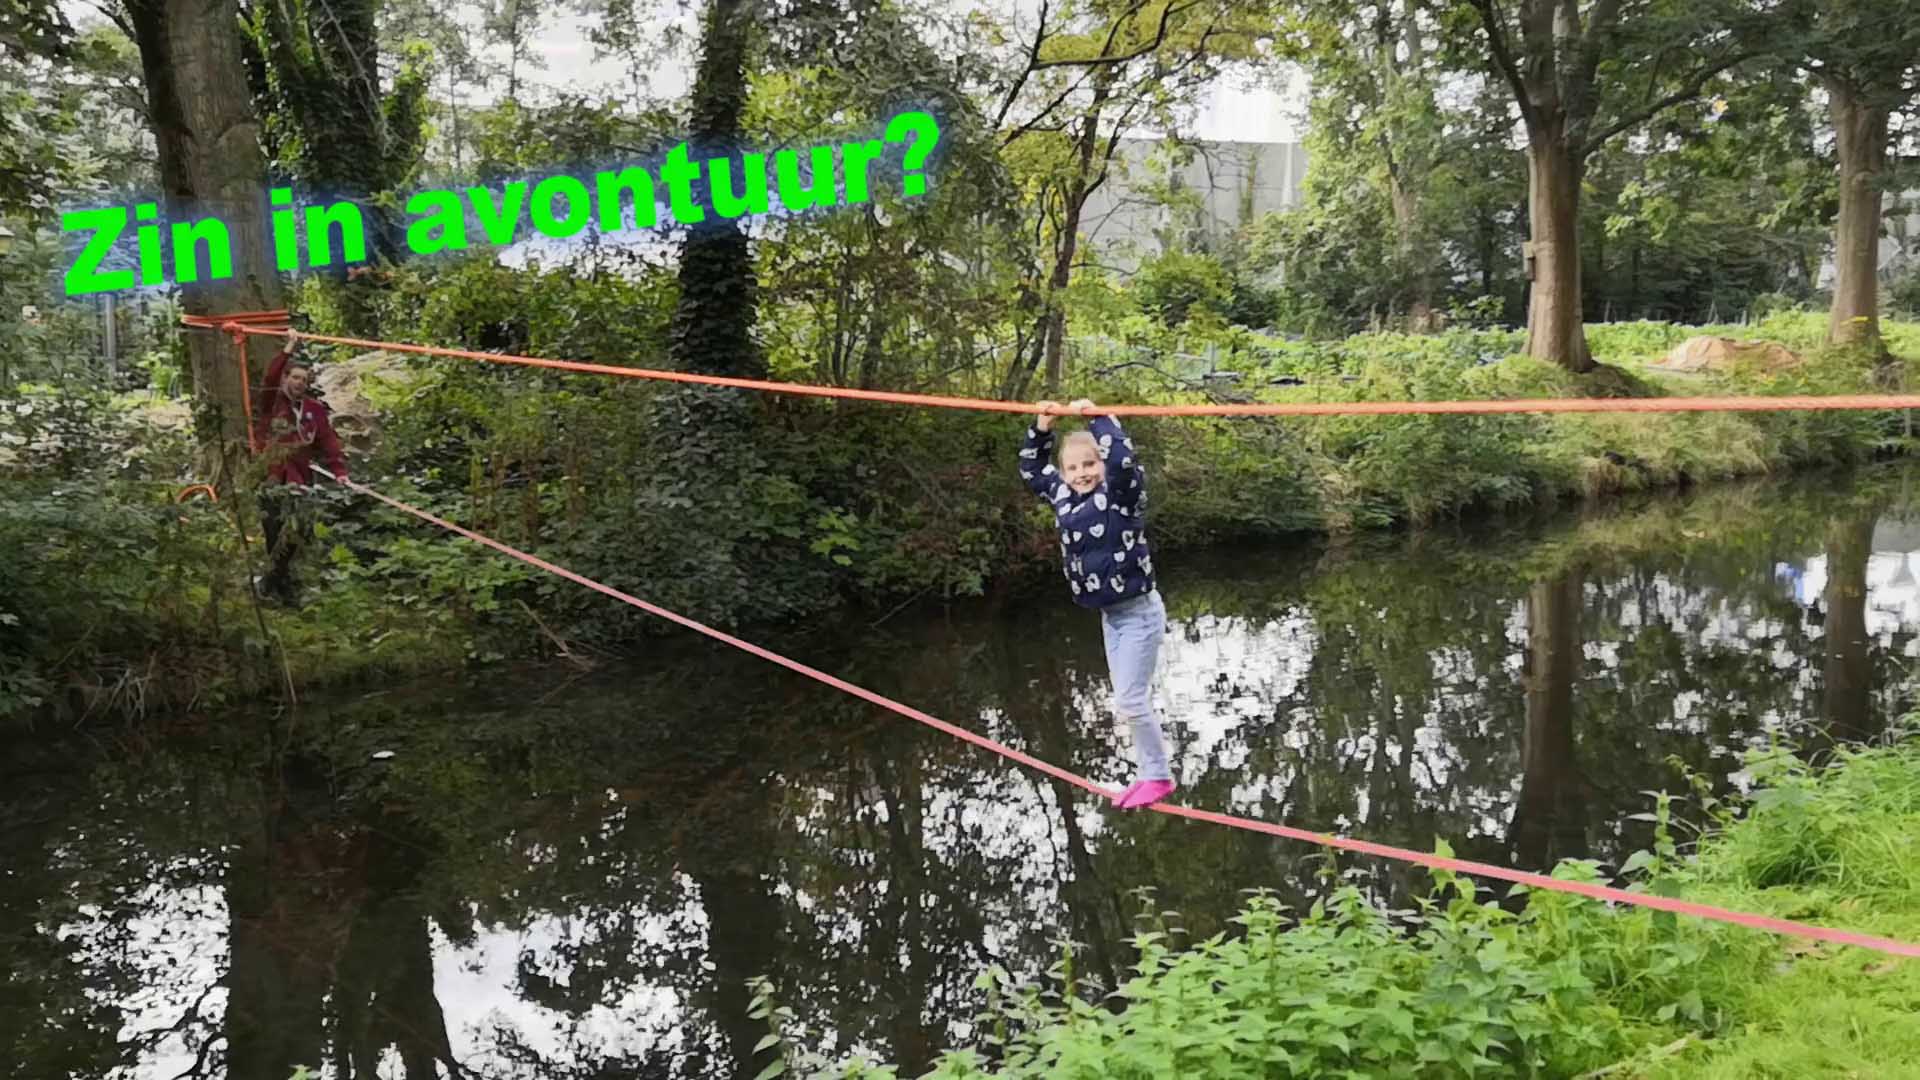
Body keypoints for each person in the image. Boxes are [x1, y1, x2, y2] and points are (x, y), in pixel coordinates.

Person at [1019, 397, 1176, 810]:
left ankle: (1157, 776)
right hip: (1112, 616)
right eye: (1073, 467)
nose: (1082, 473)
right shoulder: (1064, 497)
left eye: (1090, 464)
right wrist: (1042, 428)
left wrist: (1099, 419)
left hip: (1140, 612)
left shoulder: (1121, 497)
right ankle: (1149, 773)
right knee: (1127, 700)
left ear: (1101, 465)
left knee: (1129, 700)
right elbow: (1033, 471)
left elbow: (1123, 461)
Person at [251, 331, 348, 605]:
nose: (299, 383)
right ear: (285, 379)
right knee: (274, 530)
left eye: (304, 380)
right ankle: (280, 586)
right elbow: (270, 379)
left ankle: (272, 583)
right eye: (294, 377)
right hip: (271, 477)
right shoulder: (272, 403)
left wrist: (339, 471)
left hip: (300, 479)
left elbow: (328, 441)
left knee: (295, 533)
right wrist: (288, 348)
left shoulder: (314, 410)